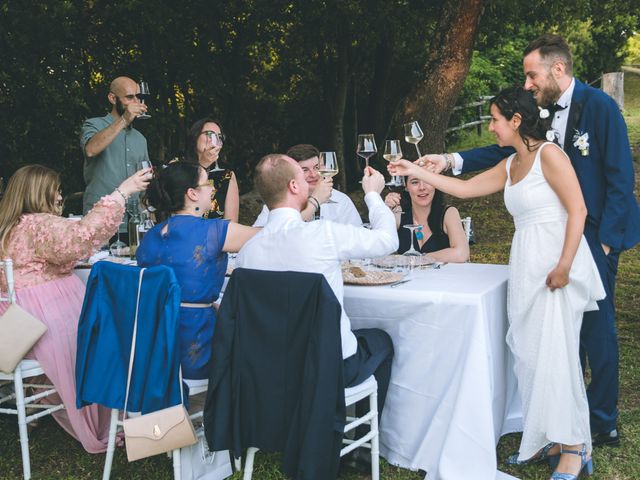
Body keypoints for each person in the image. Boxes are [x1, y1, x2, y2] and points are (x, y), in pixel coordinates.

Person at [423, 35, 640, 448]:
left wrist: (607, 244)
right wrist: (451, 161)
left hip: (594, 232)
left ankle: (602, 420)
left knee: (596, 327)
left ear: (557, 69)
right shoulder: (537, 111)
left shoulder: (599, 107)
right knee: (560, 334)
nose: (527, 83)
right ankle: (563, 420)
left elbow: (620, 177)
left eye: (531, 74)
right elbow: (509, 153)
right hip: (550, 234)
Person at [389, 86, 605, 479]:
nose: (491, 127)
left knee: (556, 353)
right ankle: (553, 438)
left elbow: (579, 209)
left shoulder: (550, 156)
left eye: (495, 120)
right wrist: (415, 171)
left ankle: (575, 447)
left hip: (556, 262)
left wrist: (565, 265)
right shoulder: (511, 164)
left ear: (516, 121)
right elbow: (466, 189)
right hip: (526, 261)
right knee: (532, 354)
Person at [237, 154, 396, 470]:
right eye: (304, 173)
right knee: (381, 341)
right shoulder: (322, 234)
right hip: (327, 369)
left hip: (274, 372)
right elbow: (387, 240)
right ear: (295, 186)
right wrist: (373, 195)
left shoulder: (249, 251)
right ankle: (359, 450)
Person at [0, 164, 150, 453]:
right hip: (40, 324)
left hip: (13, 329)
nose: (59, 197)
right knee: (104, 334)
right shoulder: (36, 225)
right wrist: (122, 192)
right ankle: (118, 412)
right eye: (56, 191)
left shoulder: (7, 227)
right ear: (38, 193)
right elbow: (82, 237)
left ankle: (36, 400)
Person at [135, 162, 257, 380]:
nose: (212, 188)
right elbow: (274, 236)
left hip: (151, 349)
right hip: (194, 346)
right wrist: (311, 204)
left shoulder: (149, 237)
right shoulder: (213, 231)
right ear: (192, 193)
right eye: (207, 183)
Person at [80, 76, 150, 214]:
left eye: (137, 97)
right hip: (99, 217)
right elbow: (90, 150)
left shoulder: (140, 138)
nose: (135, 102)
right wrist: (124, 119)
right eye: (129, 97)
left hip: (132, 217)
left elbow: (144, 179)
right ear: (112, 98)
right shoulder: (94, 124)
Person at [253, 144, 362, 227]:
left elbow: (359, 237)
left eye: (316, 167)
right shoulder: (279, 202)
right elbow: (260, 235)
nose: (313, 174)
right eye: (304, 170)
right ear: (292, 174)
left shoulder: (341, 200)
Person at [384, 177, 469, 261]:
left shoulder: (449, 213)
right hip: (407, 275)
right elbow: (378, 248)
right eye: (415, 182)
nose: (422, 187)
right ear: (406, 186)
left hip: (442, 274)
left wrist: (421, 258)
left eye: (428, 181)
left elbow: (461, 254)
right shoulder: (399, 214)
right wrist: (385, 210)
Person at [186, 117, 239, 222]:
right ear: (195, 137)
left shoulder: (226, 176)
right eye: (209, 134)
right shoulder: (177, 167)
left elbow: (231, 224)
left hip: (214, 237)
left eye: (219, 137)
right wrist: (203, 164)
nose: (214, 139)